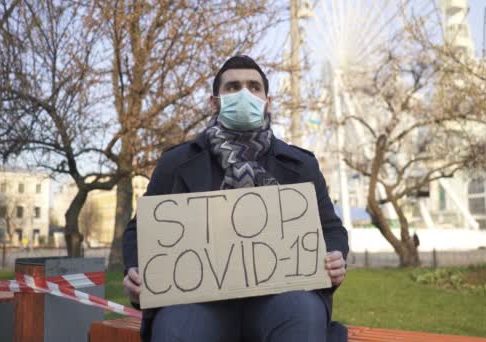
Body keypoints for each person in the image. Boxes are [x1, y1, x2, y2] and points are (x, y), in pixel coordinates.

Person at [122, 55, 349, 342]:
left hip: (280, 298)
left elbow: (331, 228)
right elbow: (139, 229)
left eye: (254, 87)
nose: (244, 94)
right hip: (198, 301)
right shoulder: (176, 163)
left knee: (302, 316)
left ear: (268, 102)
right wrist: (136, 272)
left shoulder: (301, 165)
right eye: (233, 87)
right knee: (176, 331)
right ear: (214, 102)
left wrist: (334, 257)